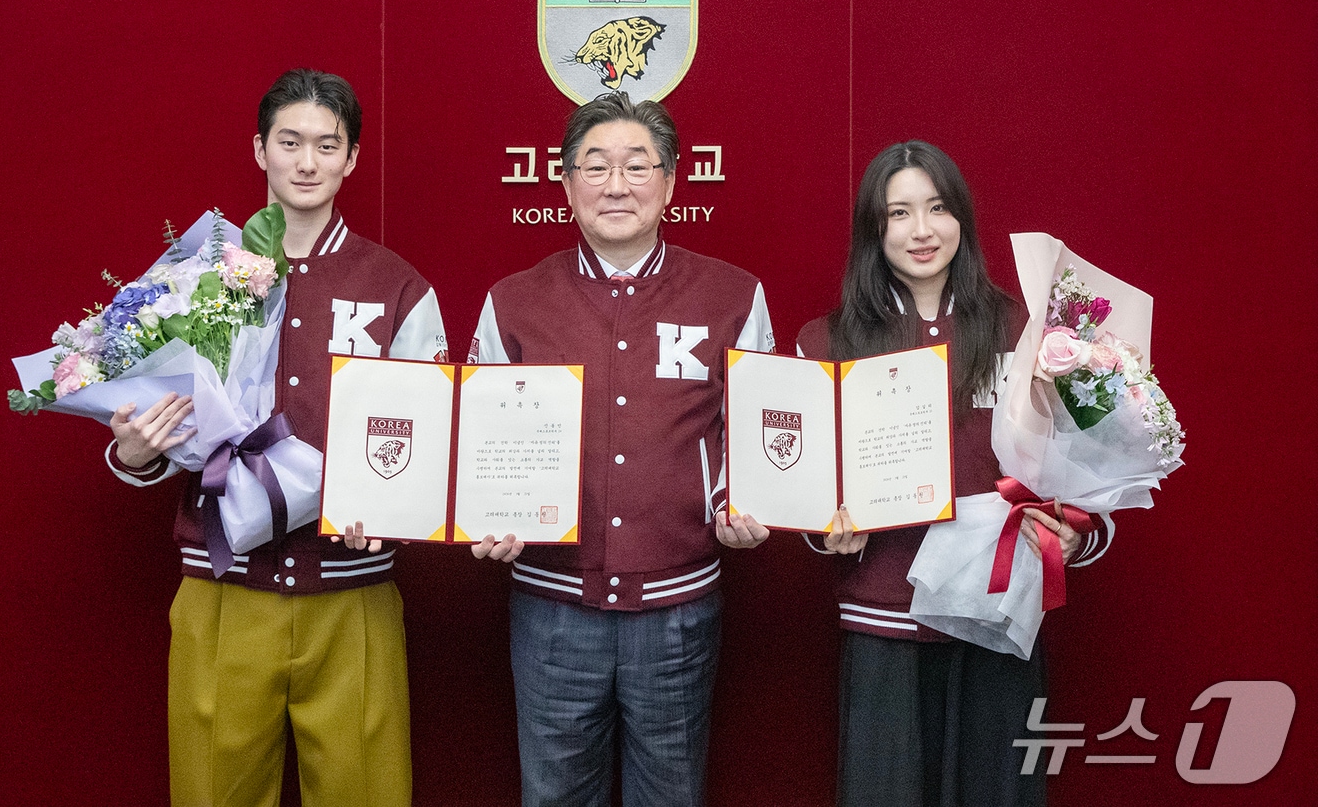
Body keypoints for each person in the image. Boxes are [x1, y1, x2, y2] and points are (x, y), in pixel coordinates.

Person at [105, 69, 447, 807]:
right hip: (223, 584)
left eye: (327, 145)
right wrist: (134, 452)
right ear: (260, 149)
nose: (307, 162)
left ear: (352, 158)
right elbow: (154, 413)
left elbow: (430, 435)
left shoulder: (398, 286)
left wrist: (391, 508)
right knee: (213, 792)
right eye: (289, 142)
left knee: (366, 792)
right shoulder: (197, 277)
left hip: (350, 590)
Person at [468, 91, 775, 807]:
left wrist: (744, 501)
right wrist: (485, 512)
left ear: (670, 183)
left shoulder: (732, 295)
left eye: (637, 166)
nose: (616, 185)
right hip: (551, 607)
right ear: (565, 182)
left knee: (671, 795)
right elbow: (481, 441)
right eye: (595, 166)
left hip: (677, 611)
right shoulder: (513, 300)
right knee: (553, 795)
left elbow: (755, 434)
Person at [796, 141, 1113, 806]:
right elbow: (803, 490)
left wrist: (1075, 530)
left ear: (961, 217)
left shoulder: (1026, 331)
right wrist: (825, 527)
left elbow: (1087, 465)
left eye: (937, 208)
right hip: (885, 617)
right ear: (873, 229)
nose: (921, 229)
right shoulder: (826, 342)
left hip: (997, 614)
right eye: (899, 213)